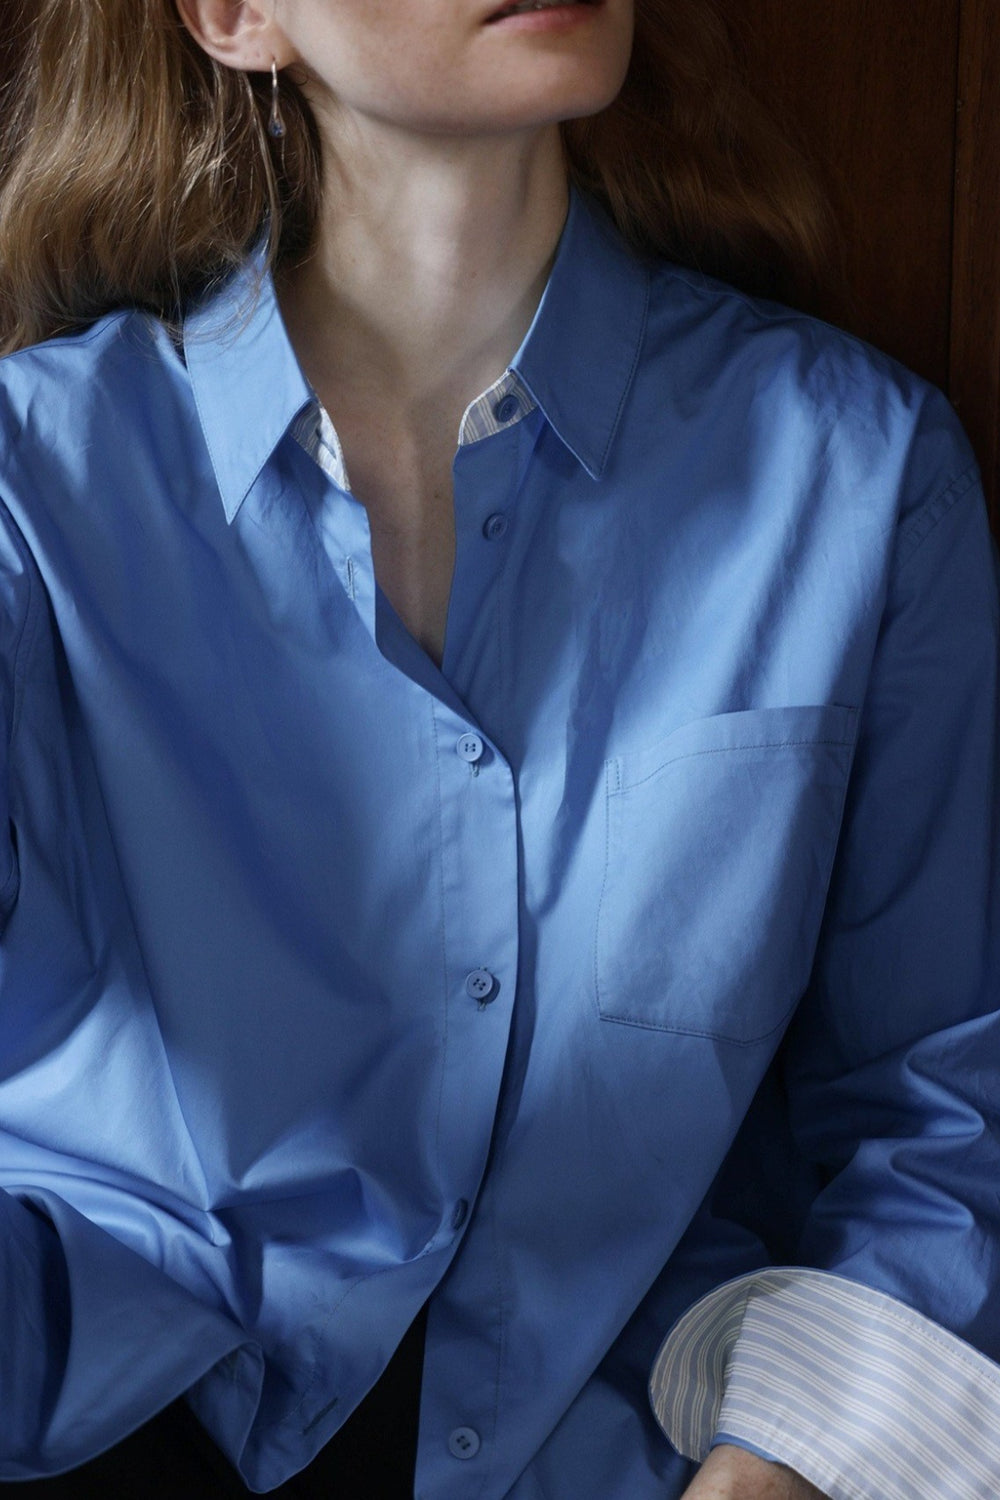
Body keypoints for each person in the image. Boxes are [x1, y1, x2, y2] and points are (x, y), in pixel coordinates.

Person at [0, 1, 998, 1497]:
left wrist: (788, 1463)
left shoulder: (861, 474)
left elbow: (947, 1097)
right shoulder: (32, 487)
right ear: (236, 15)